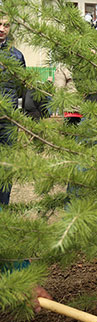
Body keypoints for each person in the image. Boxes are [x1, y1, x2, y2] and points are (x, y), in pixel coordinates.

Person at [0, 16, 25, 207]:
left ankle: (3, 208)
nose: (2, 28)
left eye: (6, 25)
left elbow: (21, 89)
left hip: (7, 120)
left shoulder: (16, 56)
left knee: (6, 165)